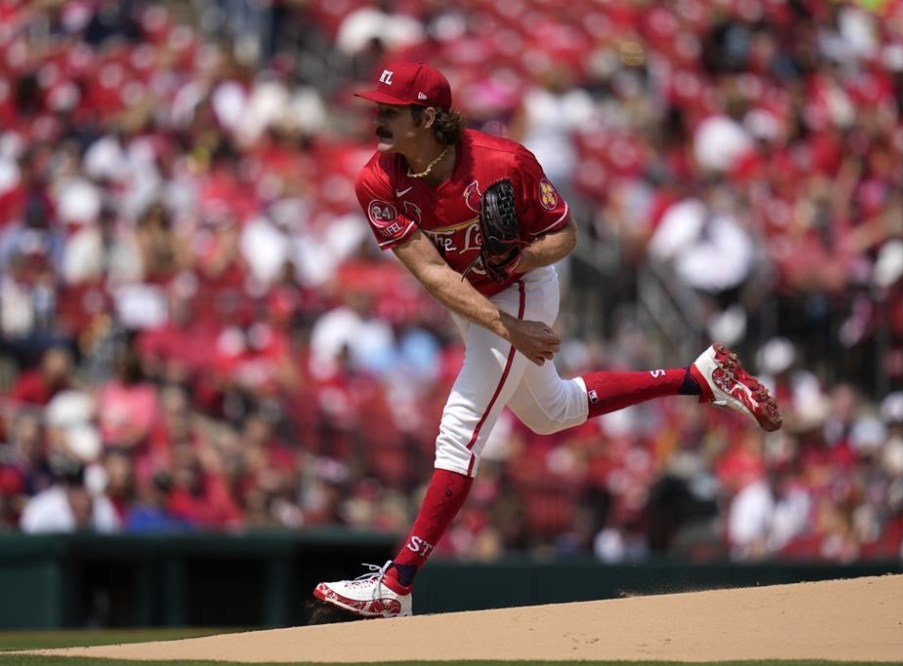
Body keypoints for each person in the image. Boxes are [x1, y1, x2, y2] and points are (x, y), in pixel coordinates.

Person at [312, 62, 782, 618]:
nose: (378, 118)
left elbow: (565, 236)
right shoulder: (378, 179)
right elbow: (435, 276)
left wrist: (518, 258)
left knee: (460, 429)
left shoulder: (503, 162)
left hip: (523, 287)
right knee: (551, 411)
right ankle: (699, 378)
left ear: (429, 116)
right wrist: (506, 330)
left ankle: (396, 585)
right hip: (480, 302)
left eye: (391, 110)